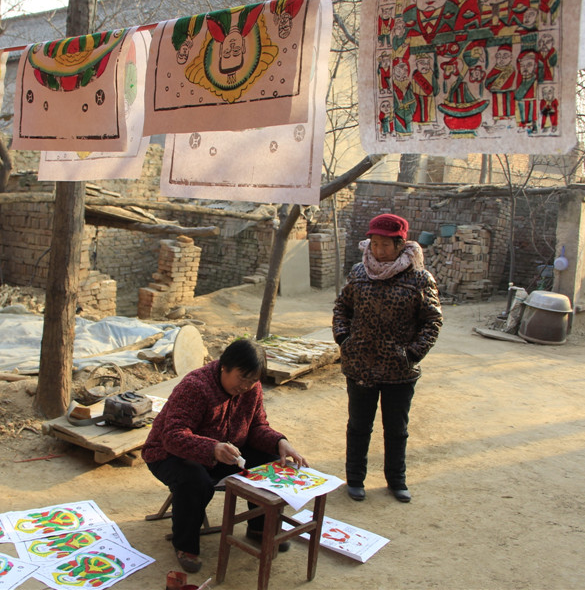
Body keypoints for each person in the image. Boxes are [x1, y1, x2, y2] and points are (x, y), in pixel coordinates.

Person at [142, 338, 307, 573]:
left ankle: (259, 527)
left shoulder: (251, 389)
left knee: (271, 461)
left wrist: (280, 441)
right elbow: (172, 436)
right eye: (242, 378)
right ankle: (185, 545)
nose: (246, 386)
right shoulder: (195, 386)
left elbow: (257, 427)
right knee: (195, 480)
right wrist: (212, 448)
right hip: (169, 454)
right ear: (224, 367)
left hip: (225, 453)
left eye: (253, 381)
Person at [333, 214, 442, 503]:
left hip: (399, 370)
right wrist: (345, 339)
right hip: (360, 367)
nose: (378, 250)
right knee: (358, 426)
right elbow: (341, 309)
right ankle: (355, 479)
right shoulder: (359, 272)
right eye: (375, 243)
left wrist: (412, 354)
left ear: (400, 245)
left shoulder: (418, 278)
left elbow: (432, 321)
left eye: (385, 245)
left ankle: (396, 481)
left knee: (396, 430)